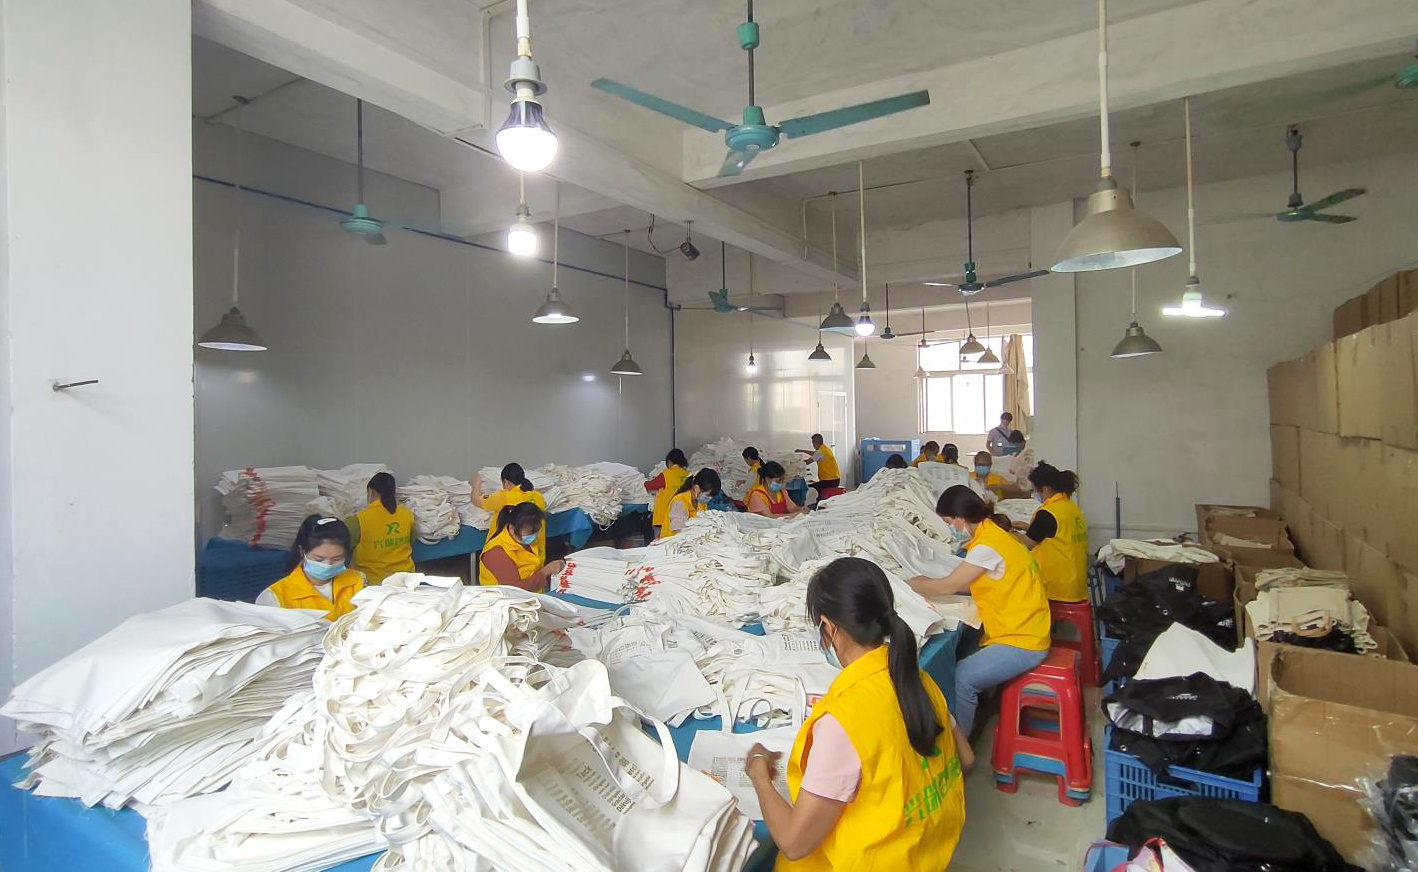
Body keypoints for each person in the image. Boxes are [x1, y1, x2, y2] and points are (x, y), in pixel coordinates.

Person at [744, 557, 969, 870]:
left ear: (829, 627)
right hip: (928, 854)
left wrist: (758, 773)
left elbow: (795, 842)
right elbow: (966, 758)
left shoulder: (844, 720)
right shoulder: (917, 679)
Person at [907, 486, 1050, 735]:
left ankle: (961, 740)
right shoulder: (997, 534)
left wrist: (912, 585)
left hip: (1023, 640)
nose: (950, 528)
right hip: (1028, 627)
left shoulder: (987, 547)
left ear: (961, 517)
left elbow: (949, 586)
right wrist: (935, 584)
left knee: (963, 676)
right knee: (970, 651)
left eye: (949, 522)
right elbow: (969, 582)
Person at [257, 515, 366, 620]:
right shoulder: (274, 597)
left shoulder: (358, 581)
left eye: (337, 558)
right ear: (302, 552)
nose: (328, 564)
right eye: (319, 559)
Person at [1024, 462, 1089, 603]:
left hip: (1056, 588)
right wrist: (1028, 526)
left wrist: (1008, 532)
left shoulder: (1048, 513)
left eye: (1035, 491)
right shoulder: (1070, 507)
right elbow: (1056, 533)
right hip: (1076, 585)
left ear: (1045, 489)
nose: (1035, 495)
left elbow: (1028, 543)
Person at [346, 471, 415, 585]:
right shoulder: (407, 514)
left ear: (371, 491)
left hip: (373, 582)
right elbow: (411, 540)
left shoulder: (359, 519)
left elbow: (343, 546)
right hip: (406, 578)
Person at [478, 502, 565, 590]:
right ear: (512, 529)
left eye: (537, 531)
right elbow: (515, 589)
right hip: (508, 596)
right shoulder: (496, 553)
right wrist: (546, 571)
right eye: (530, 533)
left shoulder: (525, 540)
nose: (535, 536)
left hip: (534, 591)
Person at [472, 463, 548, 560]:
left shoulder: (504, 496)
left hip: (509, 556)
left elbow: (476, 500)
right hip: (537, 556)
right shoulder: (538, 496)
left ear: (506, 482)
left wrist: (476, 483)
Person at [659, 468, 721, 539]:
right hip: (672, 543)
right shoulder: (679, 501)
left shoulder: (702, 504)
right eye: (707, 495)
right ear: (697, 488)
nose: (709, 498)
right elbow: (678, 531)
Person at [645, 449, 690, 534]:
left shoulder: (666, 474)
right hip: (682, 516)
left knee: (661, 541)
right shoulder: (687, 475)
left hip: (664, 516)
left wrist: (644, 482)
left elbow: (650, 486)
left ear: (669, 461)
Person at [796, 434, 840, 499]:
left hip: (829, 481)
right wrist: (802, 451)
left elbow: (807, 462)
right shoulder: (825, 449)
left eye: (813, 443)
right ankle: (819, 500)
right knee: (817, 486)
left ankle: (818, 501)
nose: (813, 445)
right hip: (835, 480)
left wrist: (794, 462)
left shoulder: (820, 452)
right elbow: (814, 453)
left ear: (815, 442)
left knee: (810, 487)